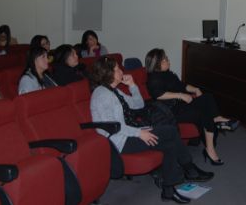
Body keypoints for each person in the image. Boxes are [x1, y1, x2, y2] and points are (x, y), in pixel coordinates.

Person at [90, 57, 214, 204]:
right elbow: (112, 127)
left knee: (169, 144)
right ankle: (189, 169)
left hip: (128, 133)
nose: (121, 71)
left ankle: (169, 189)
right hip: (119, 142)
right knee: (170, 132)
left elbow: (138, 105)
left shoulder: (114, 91)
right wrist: (139, 133)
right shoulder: (102, 94)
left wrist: (132, 85)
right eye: (117, 69)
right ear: (108, 73)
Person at [145, 49, 239, 166]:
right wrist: (180, 95)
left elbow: (182, 85)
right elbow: (158, 94)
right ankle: (210, 148)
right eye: (165, 59)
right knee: (204, 112)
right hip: (170, 112)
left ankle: (217, 119)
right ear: (157, 63)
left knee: (207, 97)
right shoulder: (153, 78)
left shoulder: (167, 74)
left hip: (180, 105)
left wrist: (195, 89)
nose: (168, 60)